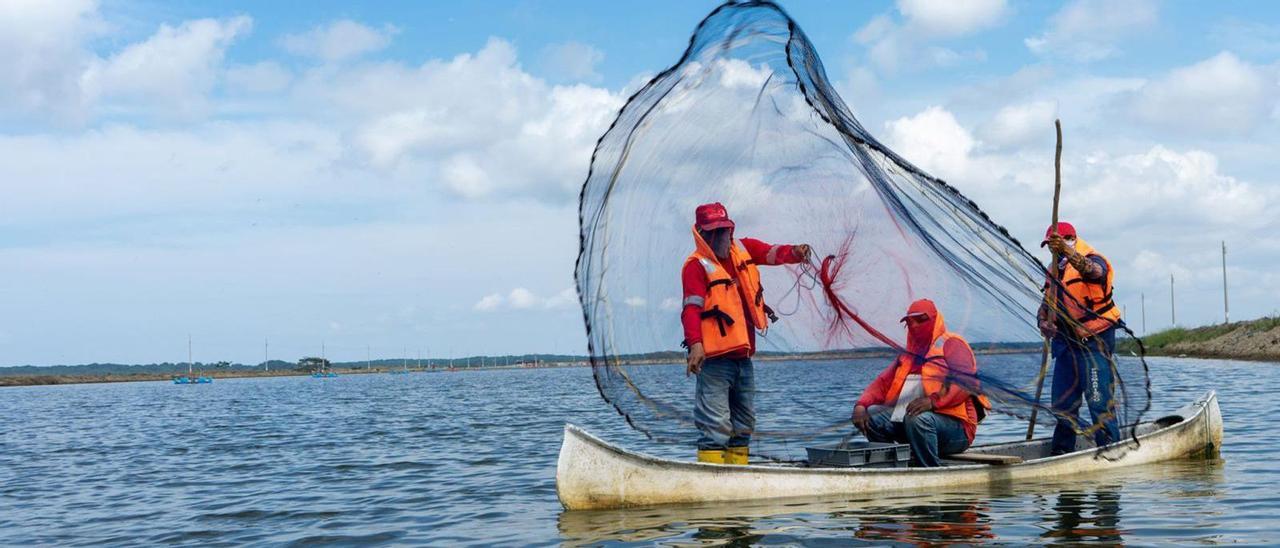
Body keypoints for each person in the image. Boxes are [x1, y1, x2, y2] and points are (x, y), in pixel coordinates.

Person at [681, 202, 811, 464]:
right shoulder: (695, 266)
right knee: (715, 426)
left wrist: (796, 252)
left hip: (743, 358)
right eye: (713, 232)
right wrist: (695, 344)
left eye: (724, 229)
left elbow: (772, 253)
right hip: (714, 361)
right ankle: (711, 480)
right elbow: (690, 309)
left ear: (730, 228)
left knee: (744, 424)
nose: (720, 236)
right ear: (701, 233)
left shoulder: (744, 248)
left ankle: (737, 475)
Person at [851, 299, 989, 467]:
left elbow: (965, 382)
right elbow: (881, 383)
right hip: (915, 424)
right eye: (909, 322)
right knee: (872, 414)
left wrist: (933, 401)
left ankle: (929, 470)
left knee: (918, 418)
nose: (914, 326)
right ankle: (892, 468)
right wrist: (860, 405)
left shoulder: (952, 343)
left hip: (958, 428)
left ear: (934, 319)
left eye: (921, 320)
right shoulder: (908, 354)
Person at [1038, 222, 1122, 455]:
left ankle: (1110, 451)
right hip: (1065, 345)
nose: (1052, 251)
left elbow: (1093, 272)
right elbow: (1044, 307)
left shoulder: (1094, 259)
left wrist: (1067, 251)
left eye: (1055, 245)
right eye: (1049, 247)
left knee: (1098, 401)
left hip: (1095, 341)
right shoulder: (1054, 271)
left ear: (1070, 239)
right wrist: (1043, 323)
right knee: (1062, 406)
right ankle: (1061, 453)